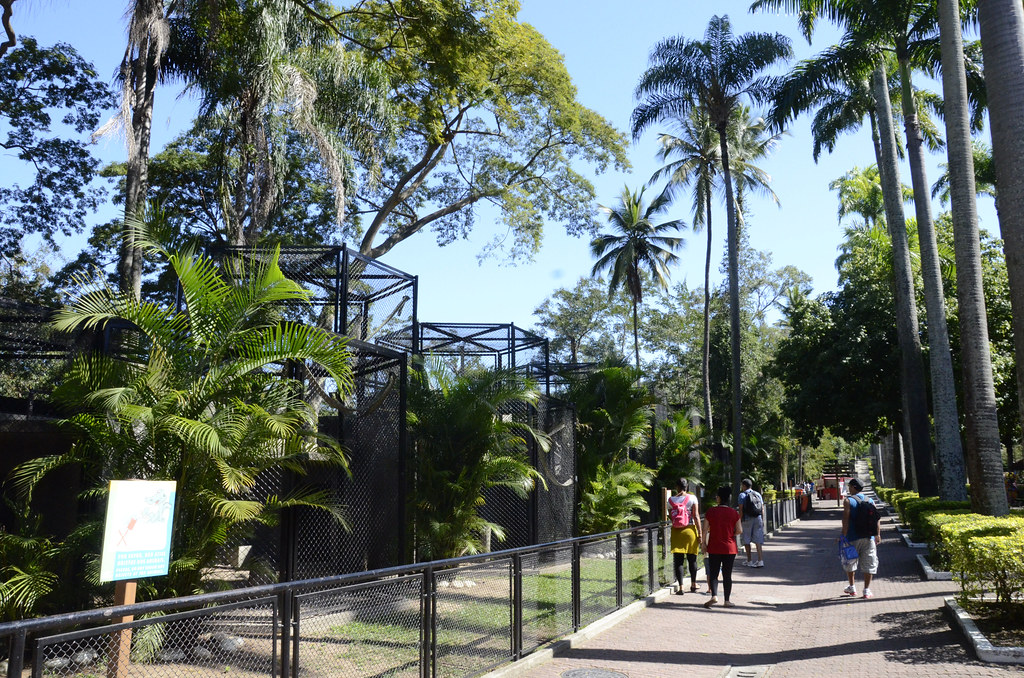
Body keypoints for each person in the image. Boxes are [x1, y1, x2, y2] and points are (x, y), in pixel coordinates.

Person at [701, 485, 741, 608]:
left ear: (718, 498)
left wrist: (703, 543)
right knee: (727, 574)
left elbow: (705, 529)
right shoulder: (734, 513)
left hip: (714, 546)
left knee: (714, 572)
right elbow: (739, 530)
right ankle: (727, 600)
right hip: (730, 547)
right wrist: (731, 533)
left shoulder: (711, 511)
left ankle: (714, 595)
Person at [841, 477, 881, 598]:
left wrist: (843, 536)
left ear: (853, 487)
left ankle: (852, 587)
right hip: (869, 538)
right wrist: (877, 535)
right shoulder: (870, 501)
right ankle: (866, 590)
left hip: (852, 537)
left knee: (850, 562)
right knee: (869, 563)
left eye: (849, 487)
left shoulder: (848, 501)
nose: (848, 489)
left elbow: (846, 521)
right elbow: (877, 519)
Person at [666, 478, 702, 594]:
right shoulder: (692, 498)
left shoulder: (670, 500)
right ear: (687, 487)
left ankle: (681, 587)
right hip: (690, 530)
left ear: (677, 487)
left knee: (678, 560)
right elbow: (696, 516)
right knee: (692, 559)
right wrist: (700, 533)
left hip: (677, 532)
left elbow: (670, 516)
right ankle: (693, 584)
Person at [736, 478, 765, 567]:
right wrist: (762, 520)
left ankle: (749, 560)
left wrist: (739, 521)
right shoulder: (757, 494)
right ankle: (760, 560)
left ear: (744, 486)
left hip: (747, 519)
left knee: (746, 539)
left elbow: (741, 510)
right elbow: (762, 508)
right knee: (758, 540)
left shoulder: (742, 495)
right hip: (758, 518)